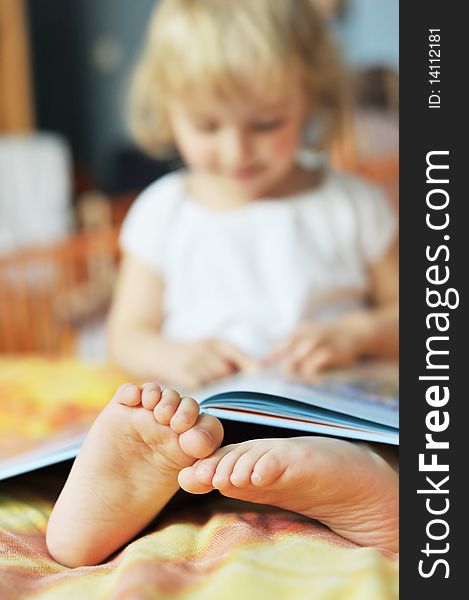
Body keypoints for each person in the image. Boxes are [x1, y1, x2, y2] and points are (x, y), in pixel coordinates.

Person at [46, 0, 399, 567]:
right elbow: (127, 335)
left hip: (329, 405)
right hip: (200, 414)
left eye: (266, 124)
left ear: (309, 97)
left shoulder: (353, 202)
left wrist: (357, 333)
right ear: (169, 110)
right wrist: (172, 353)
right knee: (170, 429)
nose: (237, 150)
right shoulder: (163, 210)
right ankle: (128, 481)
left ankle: (353, 479)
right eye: (208, 126)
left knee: (389, 437)